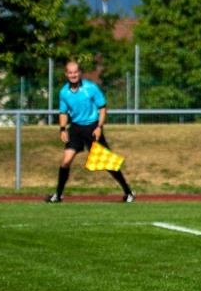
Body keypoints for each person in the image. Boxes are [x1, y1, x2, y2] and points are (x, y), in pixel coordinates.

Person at [46, 61, 135, 203]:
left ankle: (128, 192)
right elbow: (63, 112)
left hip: (92, 128)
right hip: (75, 128)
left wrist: (99, 126)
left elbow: (102, 108)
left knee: (107, 162)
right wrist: (62, 129)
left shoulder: (91, 88)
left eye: (75, 72)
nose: (73, 75)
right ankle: (58, 195)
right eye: (70, 72)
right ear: (66, 74)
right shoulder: (64, 92)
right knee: (65, 161)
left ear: (80, 73)